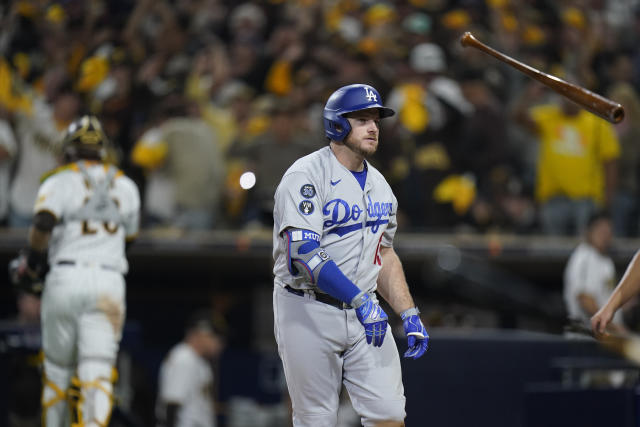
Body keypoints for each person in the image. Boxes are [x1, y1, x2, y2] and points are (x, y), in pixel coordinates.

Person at [272, 83, 429, 427]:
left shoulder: (381, 186)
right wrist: (360, 300)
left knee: (389, 416)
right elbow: (304, 254)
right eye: (362, 119)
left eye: (376, 119)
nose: (373, 127)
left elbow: (384, 253)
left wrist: (408, 311)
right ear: (337, 125)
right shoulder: (306, 175)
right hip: (306, 307)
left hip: (365, 312)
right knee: (316, 420)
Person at [9, 115, 141, 427]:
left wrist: (34, 263)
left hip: (65, 277)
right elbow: (129, 240)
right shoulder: (125, 185)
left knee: (57, 369)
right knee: (97, 371)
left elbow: (43, 224)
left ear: (69, 150)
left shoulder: (58, 180)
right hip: (109, 280)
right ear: (102, 150)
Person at [513, 80, 620, 236]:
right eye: (565, 94)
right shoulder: (549, 116)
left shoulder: (597, 124)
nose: (569, 99)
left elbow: (610, 163)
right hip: (553, 197)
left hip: (586, 199)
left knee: (586, 247)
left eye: (574, 94)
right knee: (554, 251)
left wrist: (607, 202)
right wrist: (530, 95)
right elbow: (518, 117)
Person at [156, 311, 224, 427]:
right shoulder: (183, 357)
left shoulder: (199, 361)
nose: (219, 344)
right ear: (201, 334)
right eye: (215, 337)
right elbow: (172, 404)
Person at [564, 212, 625, 332]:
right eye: (601, 231)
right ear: (589, 232)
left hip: (603, 334)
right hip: (585, 335)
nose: (605, 236)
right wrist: (616, 328)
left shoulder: (606, 260)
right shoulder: (583, 256)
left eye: (608, 232)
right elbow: (584, 299)